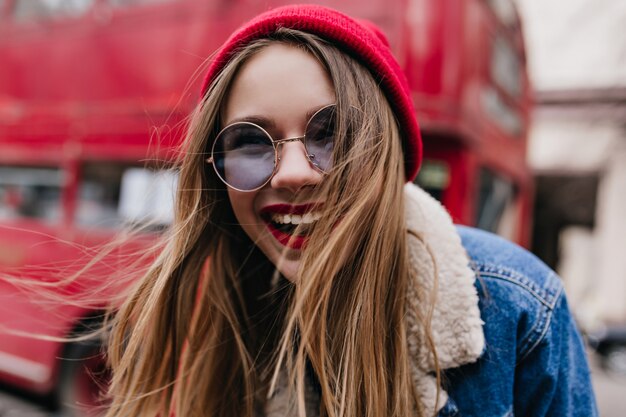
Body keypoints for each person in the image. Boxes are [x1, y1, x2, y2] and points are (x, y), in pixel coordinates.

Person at [103, 5, 598, 417]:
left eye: (332, 134)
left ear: (391, 156)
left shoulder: (519, 308)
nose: (292, 174)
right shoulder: (222, 313)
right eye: (251, 143)